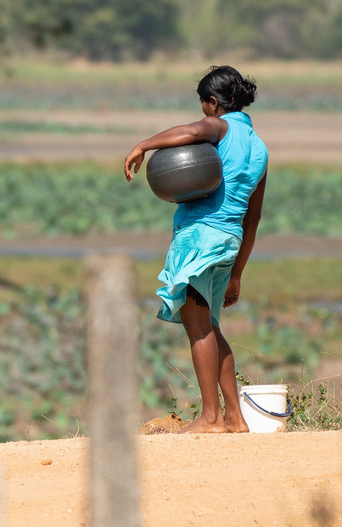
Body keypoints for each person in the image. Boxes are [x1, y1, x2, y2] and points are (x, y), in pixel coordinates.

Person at [123, 65, 268, 434]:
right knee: (212, 326)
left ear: (214, 103)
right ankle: (234, 418)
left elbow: (190, 132)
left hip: (200, 238)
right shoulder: (260, 148)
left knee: (197, 325)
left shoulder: (221, 127)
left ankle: (211, 417)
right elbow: (253, 218)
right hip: (230, 241)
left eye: (204, 104)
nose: (204, 111)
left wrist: (143, 145)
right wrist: (237, 272)